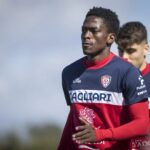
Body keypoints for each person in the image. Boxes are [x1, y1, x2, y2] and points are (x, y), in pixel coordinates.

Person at [57, 7, 149, 150]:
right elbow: (73, 119)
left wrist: (100, 134)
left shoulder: (128, 73)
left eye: (94, 31)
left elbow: (143, 124)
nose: (86, 36)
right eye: (84, 30)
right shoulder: (69, 73)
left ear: (110, 38)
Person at [116, 21, 150, 150]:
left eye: (131, 51)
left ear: (146, 48)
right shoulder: (110, 80)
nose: (124, 57)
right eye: (121, 51)